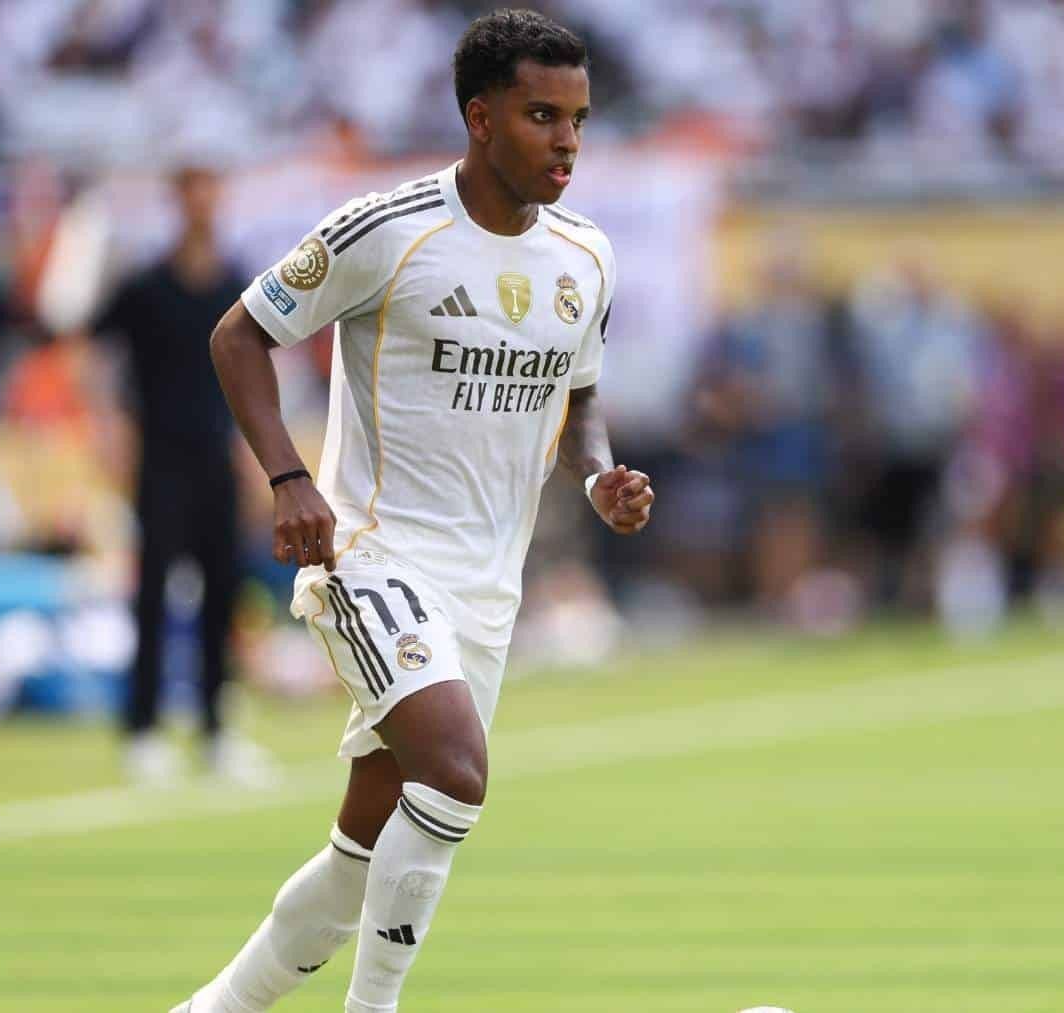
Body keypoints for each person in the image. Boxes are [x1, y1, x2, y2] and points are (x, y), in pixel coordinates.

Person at [178, 11, 653, 1012]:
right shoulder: (387, 231)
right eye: (541, 115)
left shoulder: (587, 258)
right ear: (480, 118)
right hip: (373, 552)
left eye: (577, 119)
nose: (567, 140)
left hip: (487, 587)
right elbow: (238, 336)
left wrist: (598, 476)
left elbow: (581, 398)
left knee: (362, 855)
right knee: (456, 771)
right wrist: (289, 478)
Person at [92, 166, 270, 785]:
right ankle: (142, 729)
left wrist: (256, 456)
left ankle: (216, 728)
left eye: (210, 187)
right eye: (192, 187)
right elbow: (97, 352)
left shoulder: (235, 284)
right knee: (153, 591)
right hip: (159, 457)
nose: (202, 200)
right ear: (177, 198)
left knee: (224, 589)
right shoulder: (146, 286)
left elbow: (255, 373)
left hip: (216, 457)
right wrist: (110, 429)